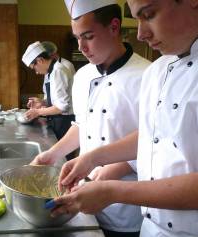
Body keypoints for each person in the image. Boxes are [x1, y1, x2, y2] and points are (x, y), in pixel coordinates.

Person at [48, 0, 198, 236]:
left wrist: (112, 190)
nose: (140, 34)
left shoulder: (143, 72)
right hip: (151, 227)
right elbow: (155, 136)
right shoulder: (159, 70)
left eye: (149, 14)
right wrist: (91, 158)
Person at [30, 1, 150, 236]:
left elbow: (153, 140)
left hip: (126, 206)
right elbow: (83, 126)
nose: (82, 47)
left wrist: (108, 171)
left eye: (88, 36)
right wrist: (52, 154)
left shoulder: (147, 75)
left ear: (114, 27)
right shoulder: (83, 75)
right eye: (77, 38)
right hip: (86, 196)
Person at [22, 42, 75, 153]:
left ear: (40, 60)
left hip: (64, 121)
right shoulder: (51, 72)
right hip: (58, 119)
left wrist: (37, 112)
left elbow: (61, 107)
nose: (36, 72)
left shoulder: (58, 71)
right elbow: (57, 99)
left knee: (64, 157)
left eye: (34, 67)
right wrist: (42, 102)